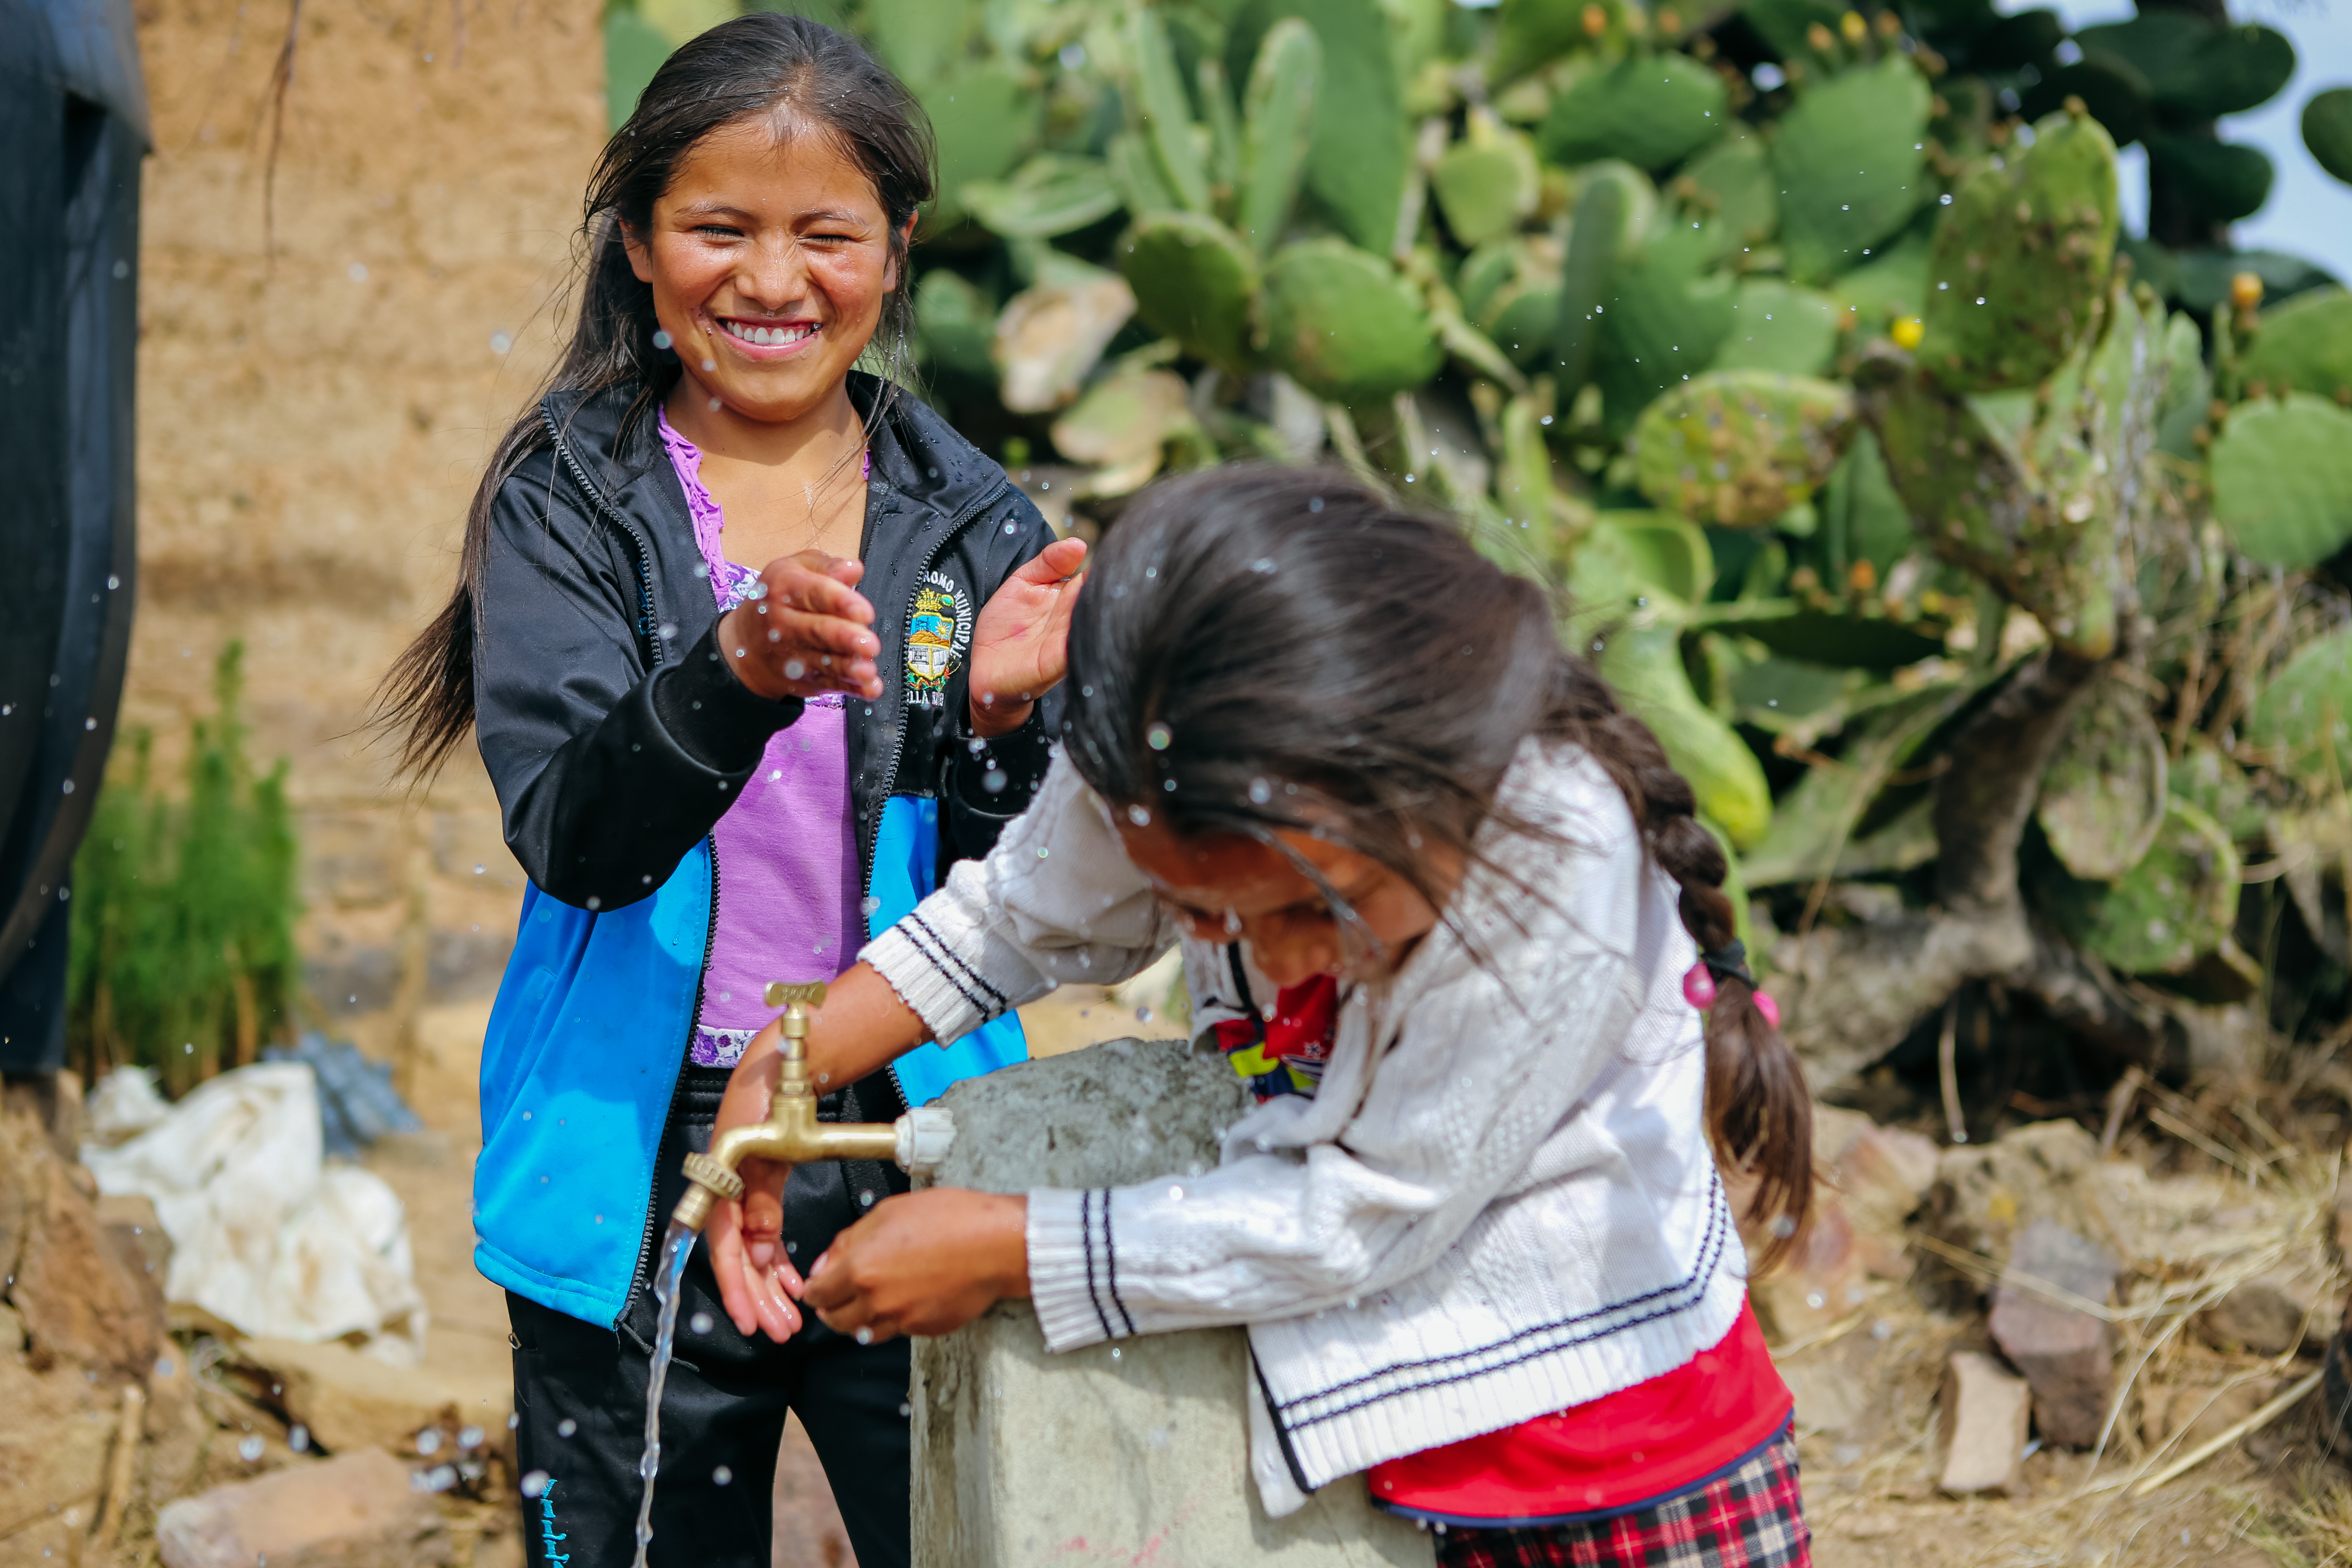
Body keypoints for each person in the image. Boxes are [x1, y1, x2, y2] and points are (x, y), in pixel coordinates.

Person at [704, 466, 1818, 1567]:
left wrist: (1012, 1246)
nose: (1271, 959)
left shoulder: (1549, 866)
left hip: (1616, 1467)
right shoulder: (1172, 758)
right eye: (1202, 913)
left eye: (1310, 906)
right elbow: (1023, 909)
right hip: (1370, 1435)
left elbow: (1360, 1218)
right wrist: (788, 1063)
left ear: (1427, 793)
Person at [374, 17, 1084, 1568]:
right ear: (637, 243)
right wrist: (736, 672)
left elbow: (1025, 888)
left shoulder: (969, 517)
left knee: (958, 1537)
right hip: (640, 1160)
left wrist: (1007, 725)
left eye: (825, 235)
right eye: (719, 230)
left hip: (904, 1134)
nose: (773, 281)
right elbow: (575, 837)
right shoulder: (570, 498)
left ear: (895, 253)